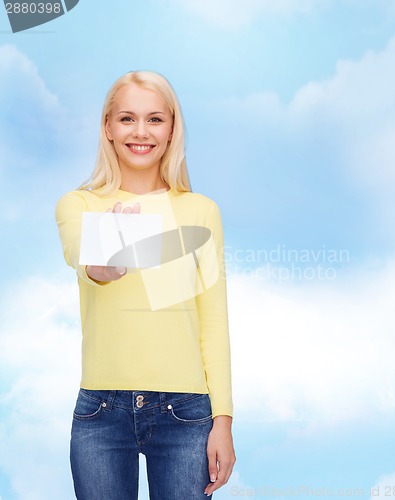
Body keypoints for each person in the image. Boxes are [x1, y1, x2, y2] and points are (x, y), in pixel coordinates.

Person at [56, 71, 235, 499]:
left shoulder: (200, 211)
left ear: (172, 128)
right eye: (127, 119)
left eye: (155, 119)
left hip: (187, 413)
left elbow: (213, 320)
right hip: (102, 410)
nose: (140, 132)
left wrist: (223, 420)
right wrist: (110, 253)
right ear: (108, 128)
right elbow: (91, 265)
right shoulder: (79, 204)